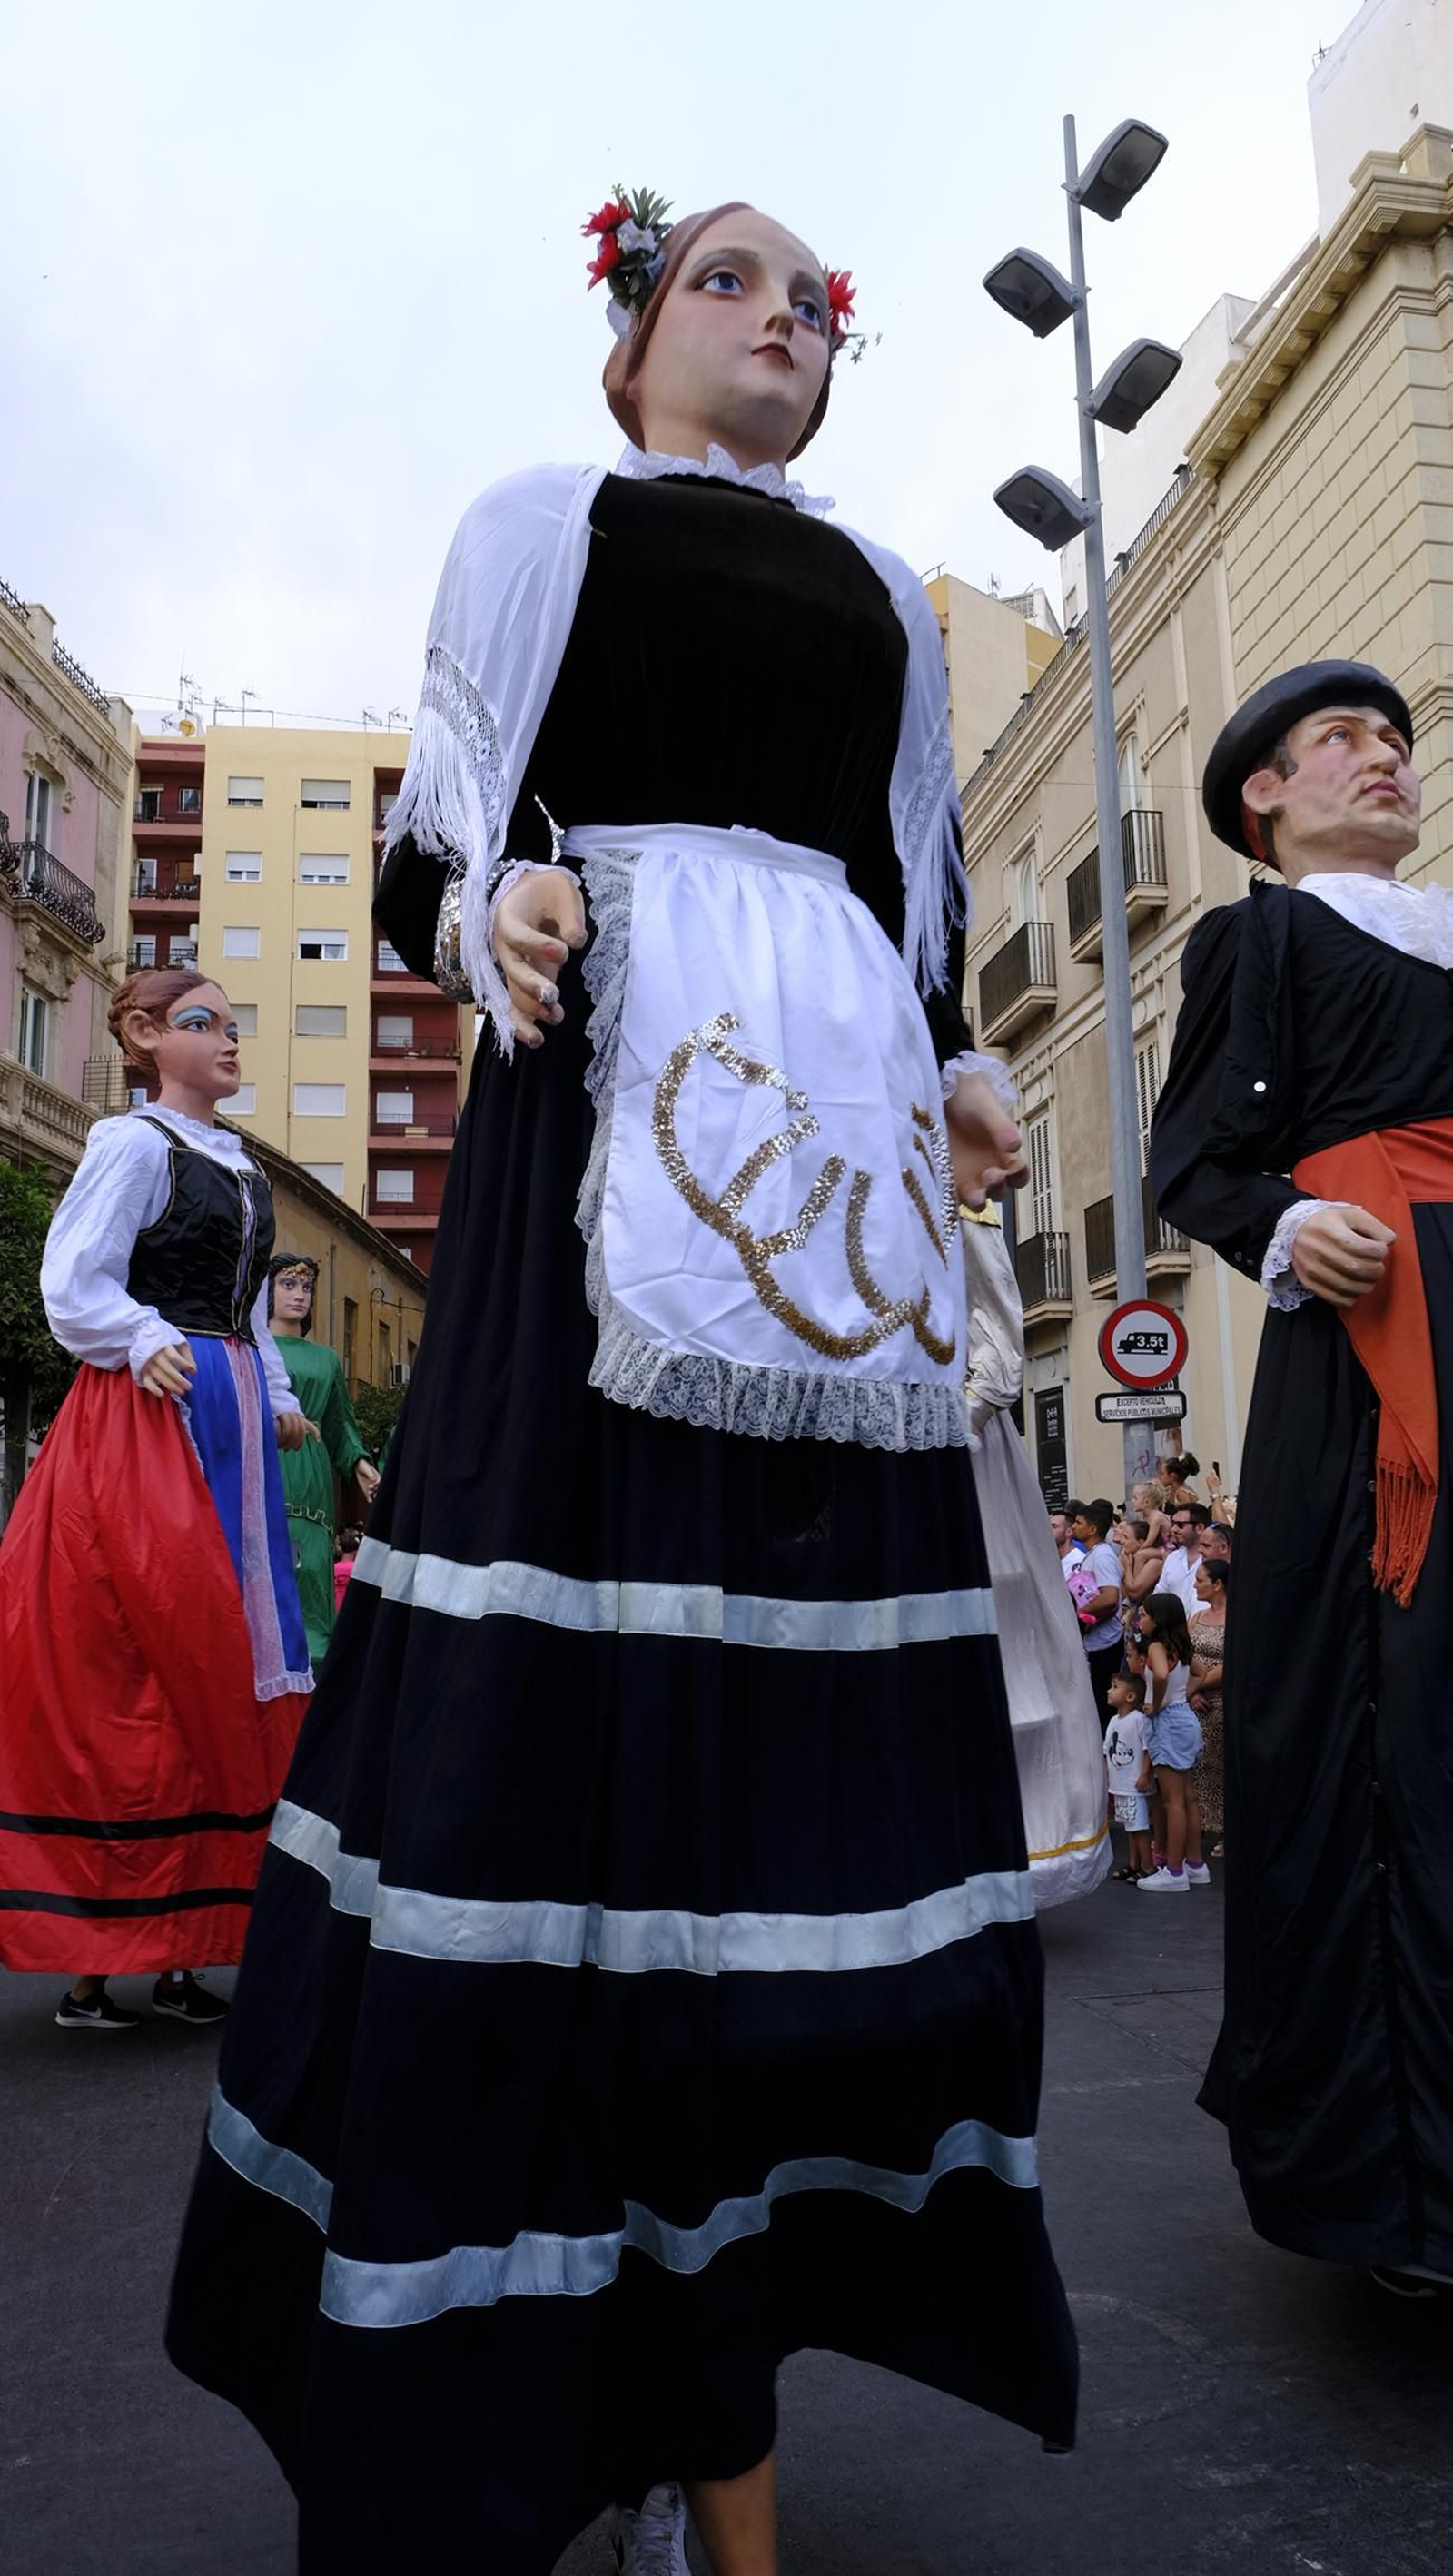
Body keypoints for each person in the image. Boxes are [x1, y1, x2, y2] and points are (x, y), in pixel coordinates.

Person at [167, 193, 1078, 2571]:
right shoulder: (538, 521)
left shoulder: (880, 591)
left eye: (816, 303)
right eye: (728, 283)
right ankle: (550, 2369)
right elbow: (433, 838)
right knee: (569, 1725)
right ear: (629, 336)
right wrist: (499, 906)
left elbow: (911, 885)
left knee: (789, 1738)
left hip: (840, 1167)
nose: (782, 318)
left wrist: (964, 1066)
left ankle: (716, 2352)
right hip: (606, 1113)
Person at [1150, 657, 1453, 2288]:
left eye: (1397, 739)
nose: (1384, 757)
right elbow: (1196, 1160)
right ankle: (1403, 2178)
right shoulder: (1254, 941)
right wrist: (1288, 1223)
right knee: (1384, 1710)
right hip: (1374, 1342)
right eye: (1344, 738)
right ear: (1264, 792)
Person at [0, 969, 312, 2031]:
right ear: (141, 1035)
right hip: (149, 1413)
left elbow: (250, 1312)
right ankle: (96, 1964)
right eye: (200, 1023)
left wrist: (275, 1396)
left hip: (229, 1412)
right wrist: (141, 1337)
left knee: (229, 1655)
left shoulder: (242, 1163)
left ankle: (187, 1944)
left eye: (231, 1025)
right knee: (145, 1645)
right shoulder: (133, 1145)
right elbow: (73, 1277)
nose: (228, 1040)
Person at [961, 1203, 1112, 1908]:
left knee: (999, 1659)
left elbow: (999, 1338)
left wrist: (950, 1424)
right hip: (864, 1444)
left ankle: (996, 1853)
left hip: (959, 1451)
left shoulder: (955, 1183)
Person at [267, 1255, 381, 1665]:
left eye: (307, 1288)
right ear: (265, 1292)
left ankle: (313, 1672)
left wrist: (359, 1464)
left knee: (311, 1571)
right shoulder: (251, 1348)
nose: (300, 1295)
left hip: (312, 1475)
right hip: (267, 1461)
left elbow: (340, 1425)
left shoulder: (326, 1359)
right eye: (288, 1285)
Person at [1134, 1594, 1206, 1896]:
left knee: (1172, 1801)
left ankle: (1175, 1871)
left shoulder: (1156, 1646)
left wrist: (1158, 1703)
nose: (1140, 1620)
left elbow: (1161, 1674)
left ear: (1158, 1619)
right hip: (1185, 1719)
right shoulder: (1182, 1647)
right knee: (1188, 1797)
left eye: (1144, 1615)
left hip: (1168, 1723)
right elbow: (1200, 1673)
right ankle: (1195, 1864)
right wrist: (1180, 1697)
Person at [1188, 1556, 1229, 1855]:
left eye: (1200, 1580)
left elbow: (1231, 1664)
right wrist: (1190, 1694)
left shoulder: (1236, 1618)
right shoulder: (1196, 1617)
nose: (1194, 1585)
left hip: (1221, 1703)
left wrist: (1195, 1686)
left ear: (1217, 1585)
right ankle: (1196, 1826)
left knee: (1222, 1767)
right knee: (1195, 1767)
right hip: (1194, 1705)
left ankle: (1227, 1830)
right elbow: (1182, 1656)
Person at [1071, 1499, 1123, 1708]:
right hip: (1095, 1640)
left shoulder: (1102, 1556)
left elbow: (1110, 1597)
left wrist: (1079, 1614)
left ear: (1092, 1529)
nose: (1074, 1526)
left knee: (1103, 1702)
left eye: (1079, 1523)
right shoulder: (1093, 1554)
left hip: (1106, 1643)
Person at [1103, 1666, 1154, 1883]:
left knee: (1140, 1827)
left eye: (1115, 1687)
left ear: (1130, 1696)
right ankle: (1134, 1864)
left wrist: (1144, 1775)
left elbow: (1148, 1749)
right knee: (1130, 1827)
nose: (1109, 1691)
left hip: (1134, 1785)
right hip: (1120, 1785)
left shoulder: (1139, 1720)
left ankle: (1148, 1866)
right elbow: (1107, 1751)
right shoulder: (1113, 1722)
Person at [1160, 1502, 1210, 1619]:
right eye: (1173, 1524)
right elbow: (1161, 1591)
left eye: (1180, 1525)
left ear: (1199, 1528)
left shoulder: (1212, 1560)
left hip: (1201, 1626)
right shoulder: (1172, 1558)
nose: (1174, 1529)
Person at [333, 1526, 363, 1617]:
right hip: (351, 1610)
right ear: (356, 1552)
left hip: (334, 1610)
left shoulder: (333, 1568)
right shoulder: (357, 1568)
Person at [1049, 1506, 1085, 1573]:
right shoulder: (1050, 1560)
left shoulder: (1079, 1561)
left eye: (1054, 1526)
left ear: (1069, 1532)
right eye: (1047, 1526)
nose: (1048, 1530)